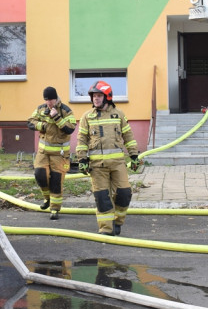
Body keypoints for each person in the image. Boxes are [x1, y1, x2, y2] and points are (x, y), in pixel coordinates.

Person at [75, 80, 140, 236]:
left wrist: (134, 155)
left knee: (124, 193)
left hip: (118, 164)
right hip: (97, 166)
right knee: (102, 197)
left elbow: (128, 136)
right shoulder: (87, 117)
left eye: (99, 95)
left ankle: (117, 221)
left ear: (107, 97)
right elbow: (81, 140)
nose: (95, 99)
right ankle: (106, 229)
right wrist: (82, 160)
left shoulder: (119, 114)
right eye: (93, 96)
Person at [27, 86, 76, 220]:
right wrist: (41, 126)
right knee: (40, 174)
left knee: (56, 181)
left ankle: (54, 209)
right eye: (47, 100)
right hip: (43, 152)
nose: (49, 102)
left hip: (59, 154)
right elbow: (30, 122)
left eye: (51, 99)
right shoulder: (41, 109)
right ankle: (46, 198)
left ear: (56, 98)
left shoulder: (66, 110)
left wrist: (57, 118)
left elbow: (70, 129)